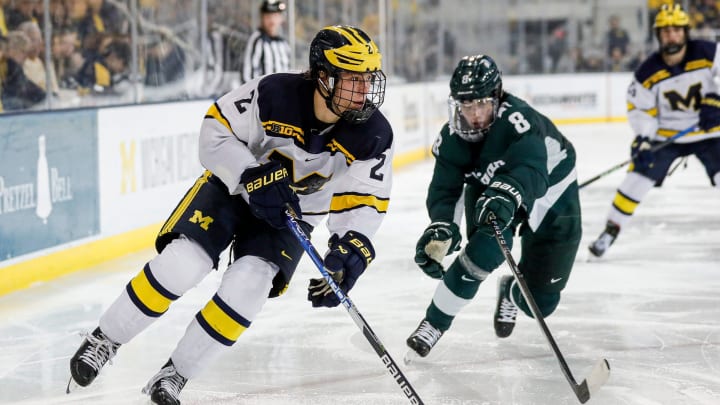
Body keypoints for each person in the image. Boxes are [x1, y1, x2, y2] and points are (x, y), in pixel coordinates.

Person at [67, 25, 391, 405]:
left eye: (367, 79)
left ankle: (176, 373)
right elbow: (214, 131)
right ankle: (104, 339)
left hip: (290, 214)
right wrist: (249, 173)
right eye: (353, 79)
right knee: (184, 263)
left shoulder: (374, 133)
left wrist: (350, 248)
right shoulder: (274, 93)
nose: (364, 91)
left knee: (249, 287)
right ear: (324, 76)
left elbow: (364, 199)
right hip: (230, 191)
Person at [406, 54, 581, 359]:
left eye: (481, 105)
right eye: (465, 105)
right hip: (493, 186)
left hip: (552, 187)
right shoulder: (452, 137)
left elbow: (532, 168)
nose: (473, 115)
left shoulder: (519, 121)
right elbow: (445, 189)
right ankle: (434, 323)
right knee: (486, 247)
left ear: (497, 98)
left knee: (542, 303)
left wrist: (508, 192)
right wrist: (441, 225)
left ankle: (513, 291)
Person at [588, 3, 720, 258]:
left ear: (685, 32)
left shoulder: (708, 52)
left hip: (710, 132)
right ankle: (610, 231)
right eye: (665, 30)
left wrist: (716, 100)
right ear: (658, 35)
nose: (671, 35)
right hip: (668, 137)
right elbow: (640, 111)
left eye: (676, 30)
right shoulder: (647, 72)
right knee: (636, 180)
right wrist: (644, 141)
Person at [241, 0, 291, 84]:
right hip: (263, 95)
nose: (272, 21)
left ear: (281, 18)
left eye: (275, 16)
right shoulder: (257, 40)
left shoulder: (284, 44)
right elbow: (246, 75)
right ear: (262, 18)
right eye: (268, 16)